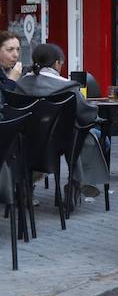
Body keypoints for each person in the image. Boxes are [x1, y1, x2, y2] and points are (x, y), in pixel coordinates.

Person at [14, 42, 108, 193]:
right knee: (86, 134)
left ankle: (26, 185)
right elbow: (87, 114)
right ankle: (76, 182)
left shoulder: (20, 84)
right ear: (57, 63)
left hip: (26, 141)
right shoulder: (67, 86)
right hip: (62, 141)